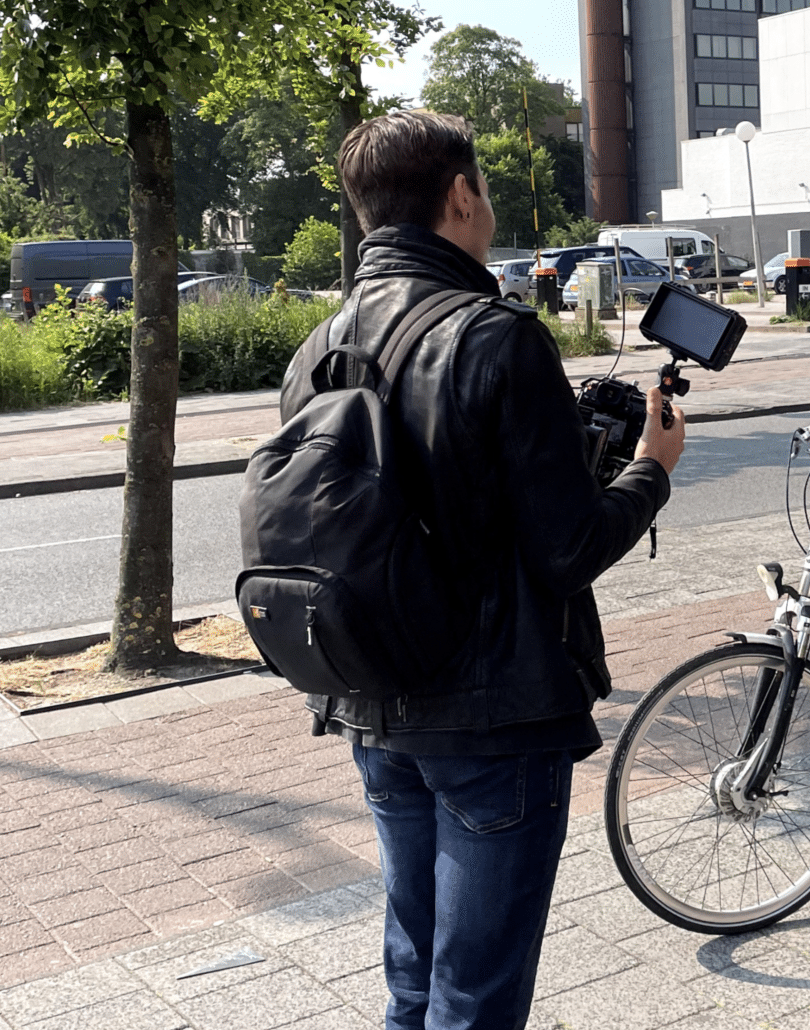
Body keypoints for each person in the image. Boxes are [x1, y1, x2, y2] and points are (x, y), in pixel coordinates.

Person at [285, 110, 684, 1030]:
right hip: (494, 720)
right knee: (478, 1000)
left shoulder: (320, 348)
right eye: (485, 187)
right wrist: (650, 472)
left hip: (369, 701)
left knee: (416, 983)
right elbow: (567, 550)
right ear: (462, 194)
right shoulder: (496, 336)